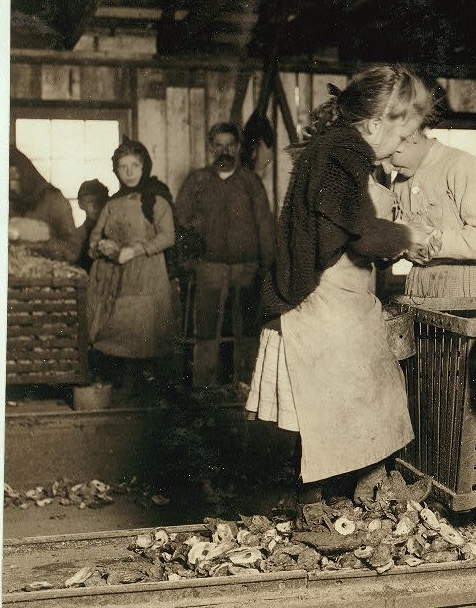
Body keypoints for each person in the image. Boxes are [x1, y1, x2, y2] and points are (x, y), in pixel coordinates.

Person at [246, 65, 433, 506]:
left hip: (339, 296)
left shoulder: (341, 150)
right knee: (328, 407)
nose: (403, 144)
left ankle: (366, 486)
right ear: (373, 125)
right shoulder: (341, 154)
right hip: (319, 299)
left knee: (373, 393)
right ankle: (314, 502)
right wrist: (409, 235)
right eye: (402, 133)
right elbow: (363, 233)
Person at [175, 121, 276, 387]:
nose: (225, 151)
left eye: (230, 145)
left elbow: (264, 225)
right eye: (218, 145)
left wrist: (268, 267)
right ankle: (204, 389)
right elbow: (181, 222)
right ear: (210, 148)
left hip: (248, 268)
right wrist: (188, 262)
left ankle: (247, 389)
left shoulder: (251, 183)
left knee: (249, 332)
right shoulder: (196, 182)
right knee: (206, 331)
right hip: (210, 267)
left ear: (239, 147)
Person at [86, 140, 177, 386]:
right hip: (113, 278)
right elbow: (95, 237)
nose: (129, 172)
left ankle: (140, 396)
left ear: (144, 166)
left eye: (134, 166)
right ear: (115, 170)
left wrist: (137, 250)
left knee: (141, 335)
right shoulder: (112, 204)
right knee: (113, 334)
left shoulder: (157, 201)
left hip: (146, 276)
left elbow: (168, 236)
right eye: (123, 166)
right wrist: (101, 247)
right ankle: (121, 394)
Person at [388, 124, 476, 297]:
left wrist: (423, 242)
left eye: (390, 155)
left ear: (412, 134)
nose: (387, 168)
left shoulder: (462, 165)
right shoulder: (399, 183)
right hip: (423, 290)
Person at [8, 146, 81, 263]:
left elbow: (72, 250)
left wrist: (36, 245)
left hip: (47, 275)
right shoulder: (7, 201)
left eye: (14, 180)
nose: (11, 186)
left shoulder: (54, 200)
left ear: (27, 176)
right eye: (6, 181)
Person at [74, 179, 110, 272]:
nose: (96, 207)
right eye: (90, 202)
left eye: (100, 201)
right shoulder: (77, 234)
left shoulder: (112, 232)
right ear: (80, 204)